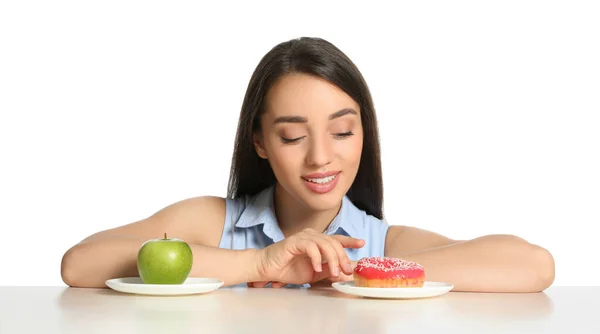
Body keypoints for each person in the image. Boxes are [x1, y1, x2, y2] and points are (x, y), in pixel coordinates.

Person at [60, 37, 555, 292]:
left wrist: (353, 270)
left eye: (342, 131)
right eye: (293, 135)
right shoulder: (214, 222)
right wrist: (259, 263)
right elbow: (79, 263)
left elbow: (533, 264)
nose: (321, 156)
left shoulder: (379, 243)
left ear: (365, 134)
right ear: (259, 141)